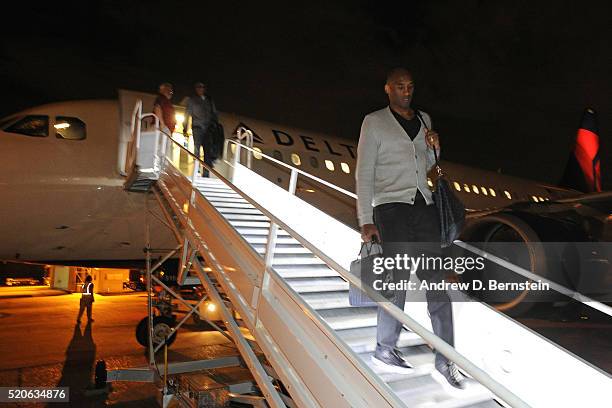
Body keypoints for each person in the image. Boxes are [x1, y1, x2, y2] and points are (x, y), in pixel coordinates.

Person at [356, 68, 465, 389]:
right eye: (400, 86)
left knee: (436, 281)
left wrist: (436, 147)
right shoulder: (373, 122)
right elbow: (364, 172)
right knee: (399, 276)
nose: (406, 91)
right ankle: (385, 349)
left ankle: (446, 360)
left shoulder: (425, 118)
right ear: (388, 89)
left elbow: (429, 165)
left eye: (410, 86)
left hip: (424, 206)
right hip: (390, 206)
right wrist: (365, 219)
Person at [183, 82, 218, 177]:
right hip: (197, 128)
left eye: (202, 87)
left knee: (207, 151)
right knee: (197, 149)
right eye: (198, 87)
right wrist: (185, 127)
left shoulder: (209, 100)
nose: (200, 89)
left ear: (204, 89)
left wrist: (214, 125)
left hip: (208, 129)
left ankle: (206, 173)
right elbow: (187, 114)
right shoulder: (192, 100)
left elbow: (214, 113)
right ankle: (196, 170)